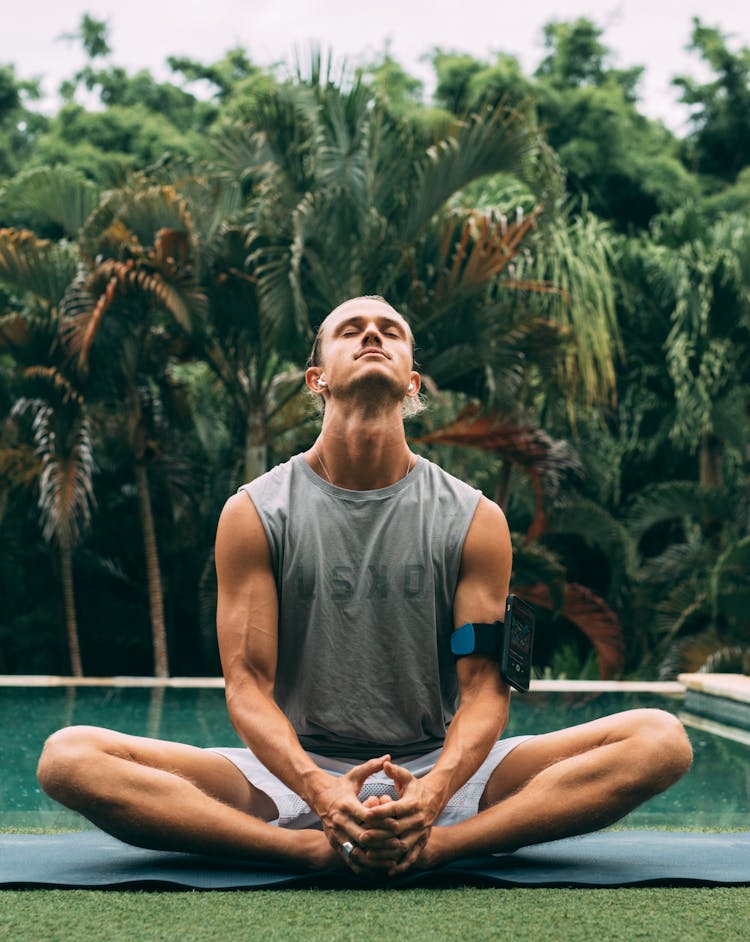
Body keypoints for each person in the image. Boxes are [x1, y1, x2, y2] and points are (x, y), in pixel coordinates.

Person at [37, 295, 693, 879]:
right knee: (68, 757)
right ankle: (307, 852)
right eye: (351, 328)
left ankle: (440, 848)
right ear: (317, 378)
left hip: (441, 770)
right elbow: (246, 685)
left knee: (660, 739)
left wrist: (434, 795)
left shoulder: (476, 519)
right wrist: (320, 793)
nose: (372, 334)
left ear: (412, 381)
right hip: (289, 776)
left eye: (390, 329)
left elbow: (489, 689)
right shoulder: (254, 512)